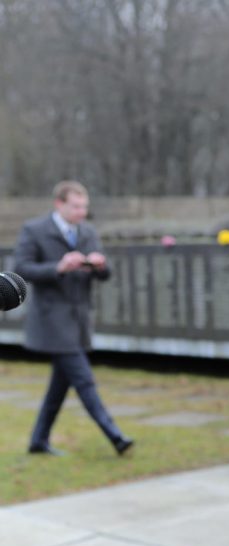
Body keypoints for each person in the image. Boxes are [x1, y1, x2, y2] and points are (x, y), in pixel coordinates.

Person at [13, 180, 134, 456]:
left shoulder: (88, 232)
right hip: (52, 321)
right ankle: (115, 436)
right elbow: (21, 268)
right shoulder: (35, 230)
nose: (82, 212)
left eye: (84, 206)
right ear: (60, 204)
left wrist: (100, 265)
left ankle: (37, 441)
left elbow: (106, 274)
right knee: (84, 380)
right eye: (76, 206)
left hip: (79, 319)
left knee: (59, 386)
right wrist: (59, 266)